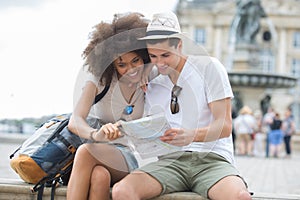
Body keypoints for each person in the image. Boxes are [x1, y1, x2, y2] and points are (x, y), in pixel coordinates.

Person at [112, 11, 251, 200]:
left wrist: (191, 135)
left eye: (165, 55)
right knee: (122, 191)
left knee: (240, 197)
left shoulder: (209, 68)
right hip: (169, 163)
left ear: (179, 45)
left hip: (211, 160)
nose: (160, 63)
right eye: (153, 56)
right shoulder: (152, 81)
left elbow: (224, 126)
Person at [66, 13, 150, 200]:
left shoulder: (149, 76)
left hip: (132, 156)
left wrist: (149, 67)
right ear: (111, 65)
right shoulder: (99, 81)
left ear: (143, 55)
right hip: (99, 152)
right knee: (99, 176)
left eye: (136, 60)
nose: (131, 70)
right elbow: (75, 120)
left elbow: (174, 61)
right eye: (122, 65)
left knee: (86, 152)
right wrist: (95, 134)